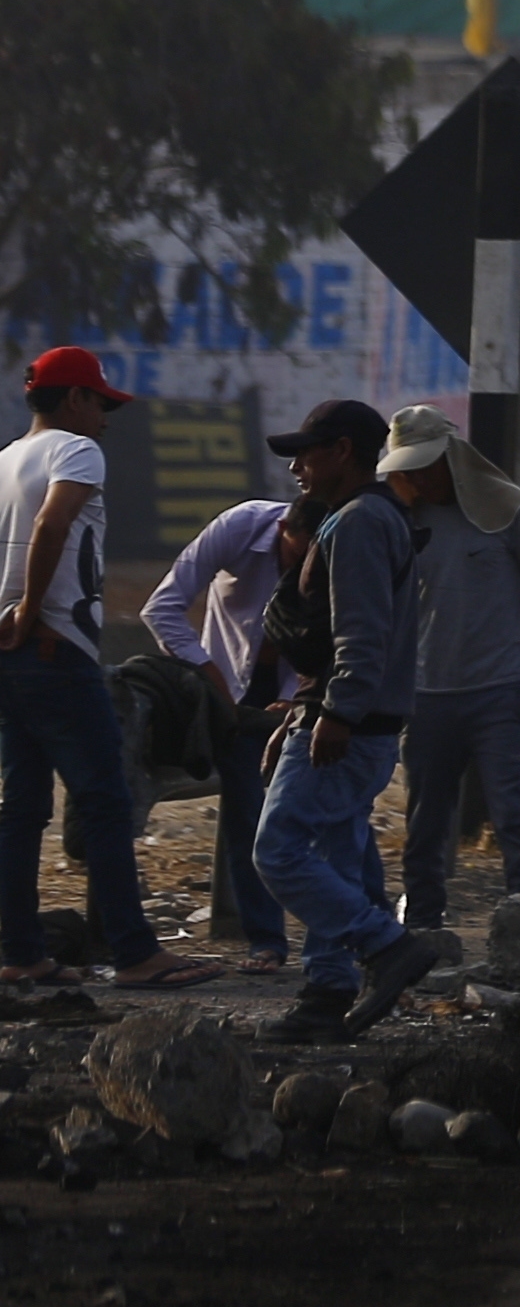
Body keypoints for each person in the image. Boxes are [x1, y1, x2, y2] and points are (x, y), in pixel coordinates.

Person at [0, 348, 203, 993]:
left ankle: (22, 952)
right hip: (56, 650)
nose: (107, 417)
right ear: (72, 400)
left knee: (22, 809)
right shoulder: (75, 451)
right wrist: (34, 611)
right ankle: (136, 952)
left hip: (11, 658)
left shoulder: (4, 460)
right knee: (106, 801)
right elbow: (53, 522)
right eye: (100, 403)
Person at [257, 397, 452, 1038]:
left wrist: (335, 712)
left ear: (343, 451)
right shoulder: (371, 516)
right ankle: (326, 993)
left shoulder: (363, 521)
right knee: (335, 857)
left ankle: (384, 946)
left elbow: (362, 635)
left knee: (278, 850)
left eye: (306, 454)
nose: (298, 471)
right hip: (348, 717)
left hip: (349, 723)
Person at [372, 404, 520, 934]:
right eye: (405, 470)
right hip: (424, 694)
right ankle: (421, 928)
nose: (414, 480)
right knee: (425, 823)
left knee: (515, 814)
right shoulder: (398, 520)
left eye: (423, 468)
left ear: (452, 460)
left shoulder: (509, 510)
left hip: (498, 690)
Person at [145, 440, 318, 973]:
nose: (305, 574)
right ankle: (267, 939)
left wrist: (302, 693)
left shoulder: (337, 554)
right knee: (250, 812)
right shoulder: (242, 527)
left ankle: (332, 938)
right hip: (226, 701)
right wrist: (209, 673)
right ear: (286, 531)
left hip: (295, 700)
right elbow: (162, 608)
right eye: (299, 558)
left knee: (317, 818)